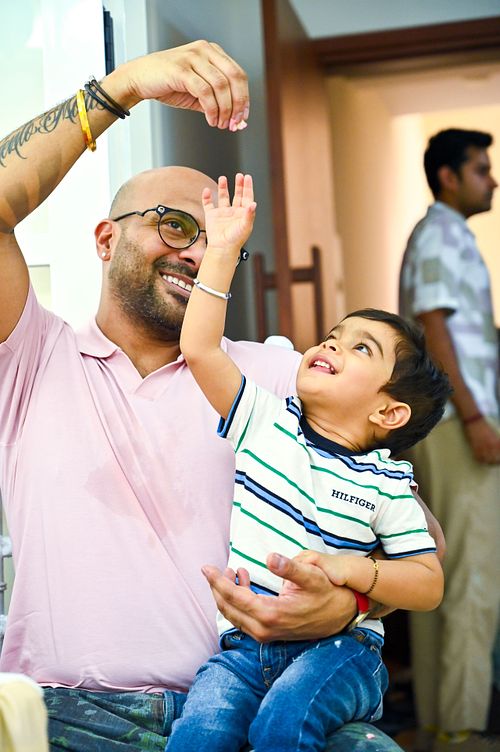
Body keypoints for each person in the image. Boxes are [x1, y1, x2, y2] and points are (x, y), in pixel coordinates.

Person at [0, 40, 442, 752]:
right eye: (175, 225)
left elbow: (419, 541)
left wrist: (350, 599)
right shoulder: (31, 356)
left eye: (218, 240)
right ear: (106, 239)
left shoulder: (277, 377)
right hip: (72, 715)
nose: (198, 252)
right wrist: (125, 86)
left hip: (247, 704)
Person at [164, 173, 450, 752]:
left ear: (390, 412)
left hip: (342, 653)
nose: (332, 345)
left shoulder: (388, 483)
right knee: (197, 734)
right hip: (243, 651)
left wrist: (353, 570)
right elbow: (198, 348)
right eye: (333, 336)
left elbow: (427, 583)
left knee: (283, 725)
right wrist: (222, 251)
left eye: (360, 348)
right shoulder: (265, 422)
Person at [399, 128, 500, 752]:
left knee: (440, 571)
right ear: (448, 177)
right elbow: (434, 325)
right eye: (482, 169)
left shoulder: (444, 234)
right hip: (458, 426)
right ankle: (461, 733)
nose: (492, 180)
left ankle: (442, 727)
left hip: (449, 423)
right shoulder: (440, 233)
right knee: (472, 575)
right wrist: (475, 418)